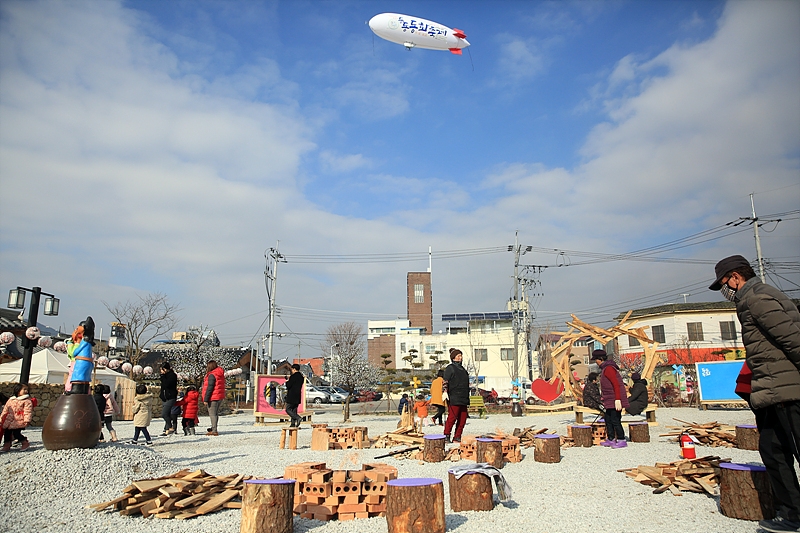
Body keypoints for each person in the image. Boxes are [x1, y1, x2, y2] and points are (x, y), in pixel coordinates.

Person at [709, 254, 800, 533]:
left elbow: (792, 338)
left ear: (736, 278)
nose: (725, 291)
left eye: (724, 284)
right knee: (772, 450)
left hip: (786, 389)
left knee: (784, 449)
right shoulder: (750, 301)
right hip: (770, 391)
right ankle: (794, 515)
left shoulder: (757, 298)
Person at [592, 349, 629, 448]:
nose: (595, 361)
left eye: (596, 359)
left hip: (614, 399)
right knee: (608, 419)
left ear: (601, 359)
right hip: (609, 399)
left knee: (615, 420)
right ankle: (611, 438)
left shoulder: (609, 368)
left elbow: (616, 384)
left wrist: (618, 399)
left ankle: (621, 439)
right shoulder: (604, 369)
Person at [443, 348, 470, 443]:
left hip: (464, 397)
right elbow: (445, 381)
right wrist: (445, 392)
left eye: (461, 356)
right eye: (458, 356)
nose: (461, 358)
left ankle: (457, 436)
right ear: (454, 358)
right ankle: (446, 435)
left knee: (463, 418)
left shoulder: (463, 369)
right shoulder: (450, 368)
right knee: (452, 417)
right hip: (454, 396)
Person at [67, 317, 96, 395]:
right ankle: (85, 390)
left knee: (78, 375)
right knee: (85, 377)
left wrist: (72, 344)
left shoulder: (84, 341)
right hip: (88, 361)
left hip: (82, 361)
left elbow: (74, 352)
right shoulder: (89, 341)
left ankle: (76, 389)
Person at [1, 383, 33, 452]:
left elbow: (28, 411)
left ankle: (25, 442)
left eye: (26, 389)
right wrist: (2, 417)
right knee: (7, 433)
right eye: (24, 389)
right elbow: (5, 410)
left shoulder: (27, 401)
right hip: (9, 420)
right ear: (17, 390)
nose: (26, 391)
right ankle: (6, 445)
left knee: (16, 433)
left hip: (19, 420)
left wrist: (27, 420)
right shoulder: (11, 400)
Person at [202, 360, 225, 436]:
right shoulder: (219, 374)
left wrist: (206, 399)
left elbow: (210, 388)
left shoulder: (212, 375)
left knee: (212, 414)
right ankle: (213, 428)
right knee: (215, 413)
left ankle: (214, 430)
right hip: (219, 396)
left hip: (213, 397)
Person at [159, 362, 178, 436]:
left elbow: (167, 384)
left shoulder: (172, 376)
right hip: (165, 397)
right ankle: (166, 430)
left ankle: (170, 427)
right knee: (168, 414)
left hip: (170, 397)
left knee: (164, 414)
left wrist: (163, 377)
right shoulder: (165, 376)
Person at [284, 364, 304, 428]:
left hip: (292, 395)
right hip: (298, 395)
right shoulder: (301, 377)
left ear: (294, 369)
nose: (292, 371)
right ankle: (293, 424)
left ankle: (298, 418)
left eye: (292, 369)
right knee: (294, 410)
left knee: (288, 409)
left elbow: (289, 386)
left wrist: (287, 381)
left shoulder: (293, 377)